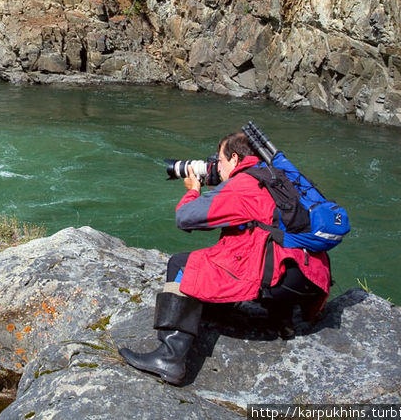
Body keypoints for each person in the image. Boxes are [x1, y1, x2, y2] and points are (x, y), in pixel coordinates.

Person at [119, 131, 331, 385]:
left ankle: (169, 358)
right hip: (309, 280)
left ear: (233, 157)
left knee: (182, 264)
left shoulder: (243, 185)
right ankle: (282, 321)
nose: (216, 167)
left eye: (219, 161)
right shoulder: (280, 176)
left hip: (275, 277)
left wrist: (194, 191)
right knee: (266, 250)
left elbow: (185, 217)